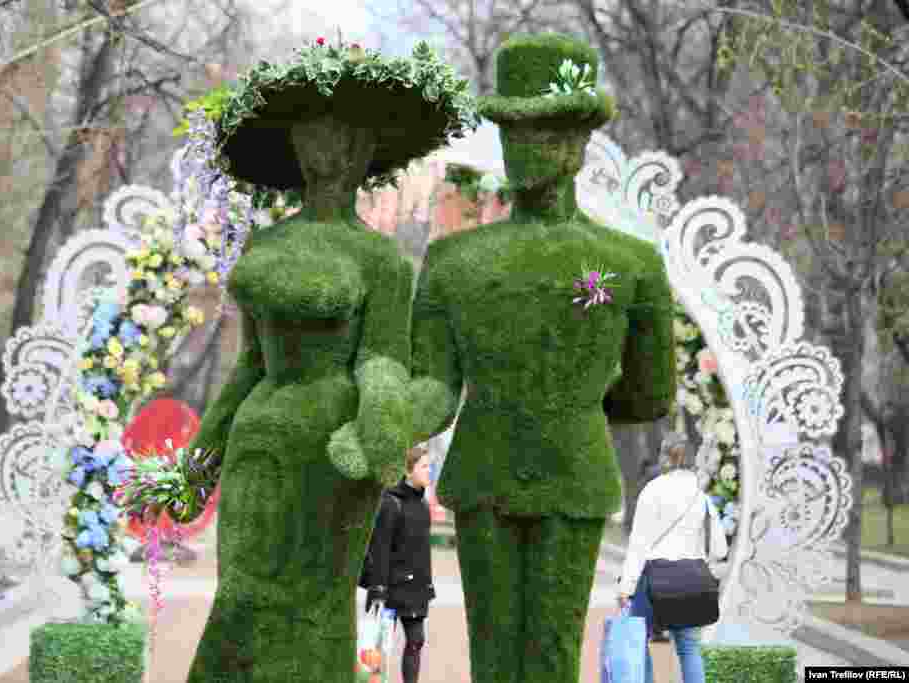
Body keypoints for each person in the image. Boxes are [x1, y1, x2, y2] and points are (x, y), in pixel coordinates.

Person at [174, 40, 477, 683]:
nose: (327, 149)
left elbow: (382, 360)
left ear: (366, 152)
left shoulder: (381, 260)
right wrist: (199, 458)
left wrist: (379, 423)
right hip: (258, 436)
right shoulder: (265, 243)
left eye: (343, 136)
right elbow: (250, 364)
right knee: (242, 592)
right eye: (313, 134)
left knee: (316, 598)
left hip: (332, 448)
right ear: (296, 144)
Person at [407, 33, 676, 683]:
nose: (526, 146)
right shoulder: (451, 262)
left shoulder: (630, 264)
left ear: (579, 142)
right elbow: (432, 391)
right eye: (514, 130)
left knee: (541, 652)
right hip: (492, 478)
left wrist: (579, 405)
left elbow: (652, 393)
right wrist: (382, 415)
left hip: (566, 478)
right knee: (503, 653)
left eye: (544, 130)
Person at [618, 433, 729, 683]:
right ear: (690, 458)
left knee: (638, 642)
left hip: (654, 580)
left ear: (663, 457)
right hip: (692, 580)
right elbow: (720, 549)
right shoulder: (700, 495)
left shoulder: (652, 490)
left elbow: (638, 544)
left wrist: (626, 586)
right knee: (689, 649)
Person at [362, 446, 437, 683]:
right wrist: (378, 589)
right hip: (391, 590)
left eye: (430, 466)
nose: (429, 471)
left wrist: (427, 585)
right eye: (424, 466)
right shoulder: (391, 503)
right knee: (379, 648)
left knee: (416, 641)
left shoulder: (423, 506)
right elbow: (380, 549)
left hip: (416, 590)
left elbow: (421, 552)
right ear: (408, 470)